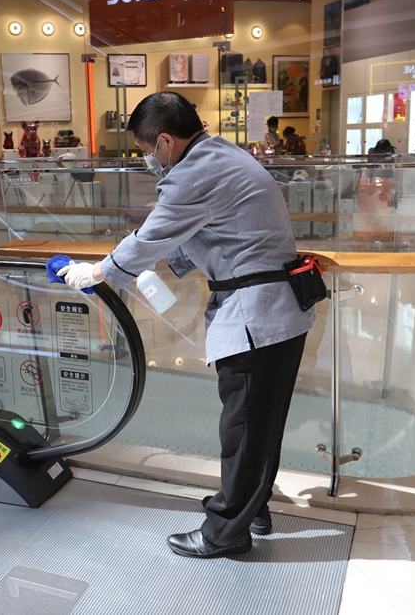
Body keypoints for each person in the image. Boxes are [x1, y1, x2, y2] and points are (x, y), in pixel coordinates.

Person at [58, 92, 314, 559]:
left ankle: (225, 531)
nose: (147, 160)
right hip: (278, 310)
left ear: (165, 141)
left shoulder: (192, 172)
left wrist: (96, 272)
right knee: (260, 425)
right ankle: (252, 509)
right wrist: (154, 264)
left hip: (257, 315)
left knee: (242, 428)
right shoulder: (221, 155)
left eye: (145, 150)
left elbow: (152, 235)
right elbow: (205, 229)